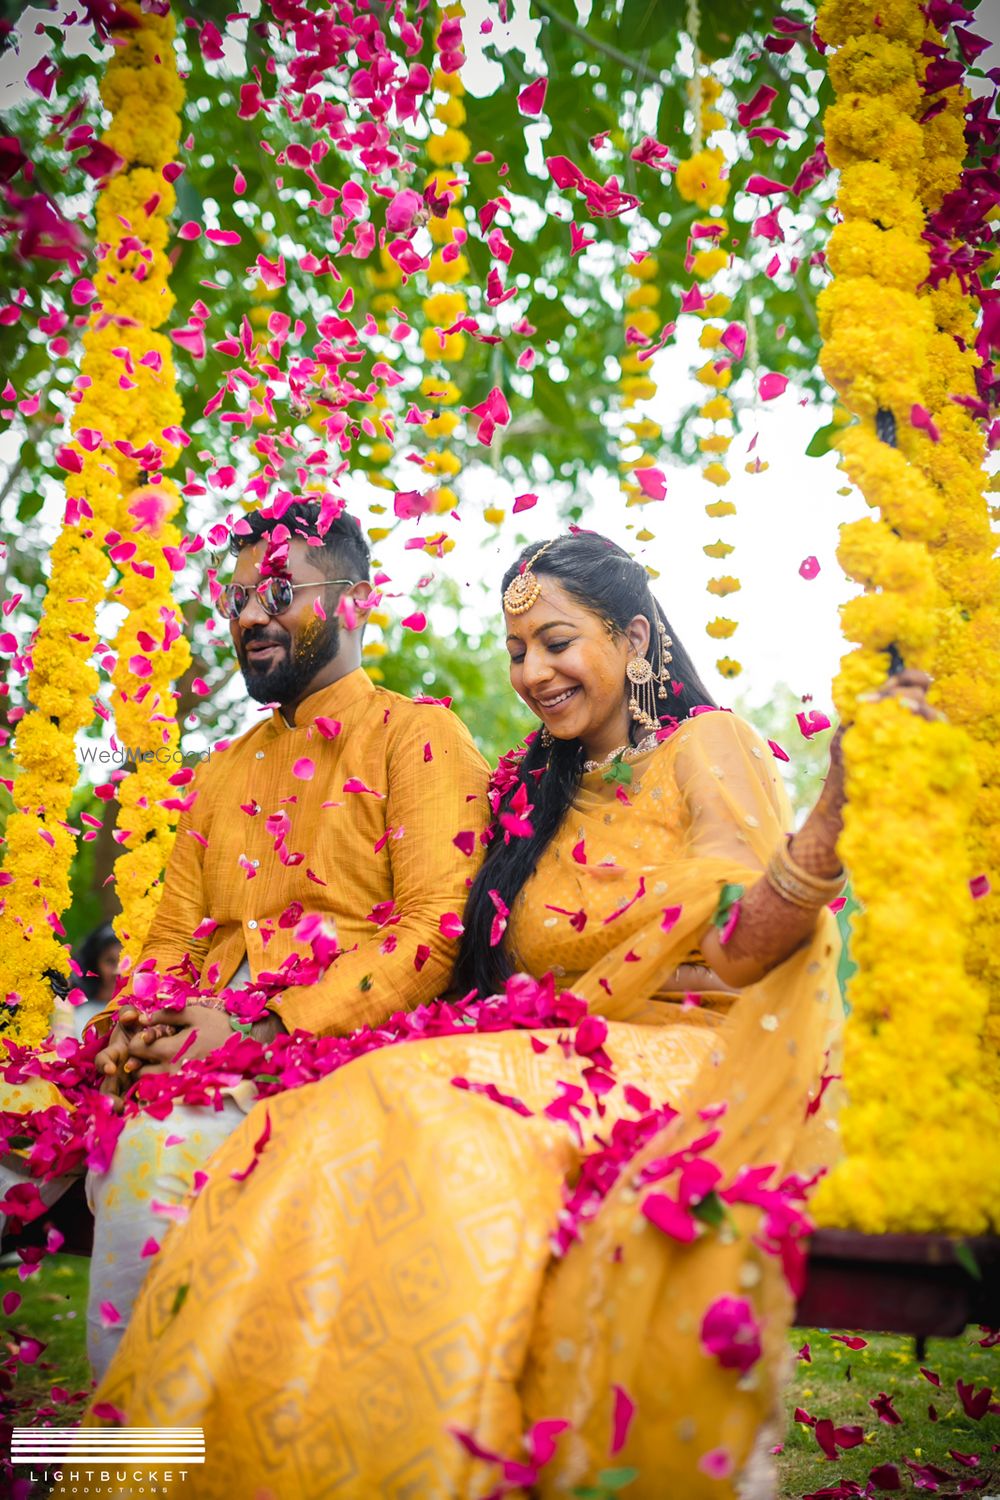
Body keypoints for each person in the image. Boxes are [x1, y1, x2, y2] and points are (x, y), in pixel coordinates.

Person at [78, 532, 936, 1498]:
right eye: (518, 650)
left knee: (423, 1123)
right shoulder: (531, 785)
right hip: (552, 1055)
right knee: (329, 1112)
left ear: (639, 641)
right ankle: (232, 1453)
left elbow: (739, 944)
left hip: (678, 1057)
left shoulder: (709, 747)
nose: (534, 672)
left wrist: (830, 818)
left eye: (559, 643)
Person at [0, 500, 489, 1382]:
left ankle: (134, 1472)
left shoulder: (418, 736)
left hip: (326, 1061)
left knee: (148, 1153)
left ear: (357, 601)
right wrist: (137, 1025)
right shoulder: (223, 769)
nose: (251, 615)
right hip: (188, 1052)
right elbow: (170, 942)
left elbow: (433, 935)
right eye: (235, 600)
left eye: (276, 591)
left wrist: (260, 1031)